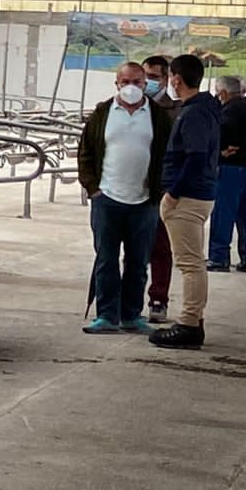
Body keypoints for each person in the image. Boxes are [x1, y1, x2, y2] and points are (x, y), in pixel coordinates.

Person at [76, 60, 168, 334]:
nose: (131, 87)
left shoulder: (158, 116)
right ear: (117, 84)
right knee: (106, 259)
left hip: (143, 202)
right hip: (107, 200)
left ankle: (131, 315)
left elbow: (167, 154)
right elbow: (85, 153)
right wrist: (93, 189)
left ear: (146, 84)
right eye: (125, 82)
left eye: (137, 82)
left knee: (138, 261)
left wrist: (158, 192)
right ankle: (106, 315)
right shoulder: (103, 113)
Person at [150, 53, 219, 350]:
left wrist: (173, 193)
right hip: (199, 193)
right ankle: (195, 318)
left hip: (187, 197)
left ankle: (189, 324)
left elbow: (195, 155)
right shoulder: (207, 108)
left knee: (190, 264)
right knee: (194, 263)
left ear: (176, 79)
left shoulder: (192, 114)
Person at [207, 75, 246, 274]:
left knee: (223, 214)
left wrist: (220, 150)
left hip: (230, 168)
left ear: (223, 93)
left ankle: (219, 258)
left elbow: (219, 135)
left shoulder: (228, 111)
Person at [142, 53, 179, 321]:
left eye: (154, 78)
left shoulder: (175, 111)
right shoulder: (121, 107)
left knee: (160, 247)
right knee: (130, 248)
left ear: (166, 79)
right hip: (126, 188)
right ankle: (127, 300)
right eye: (146, 77)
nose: (147, 83)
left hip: (160, 189)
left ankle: (158, 298)